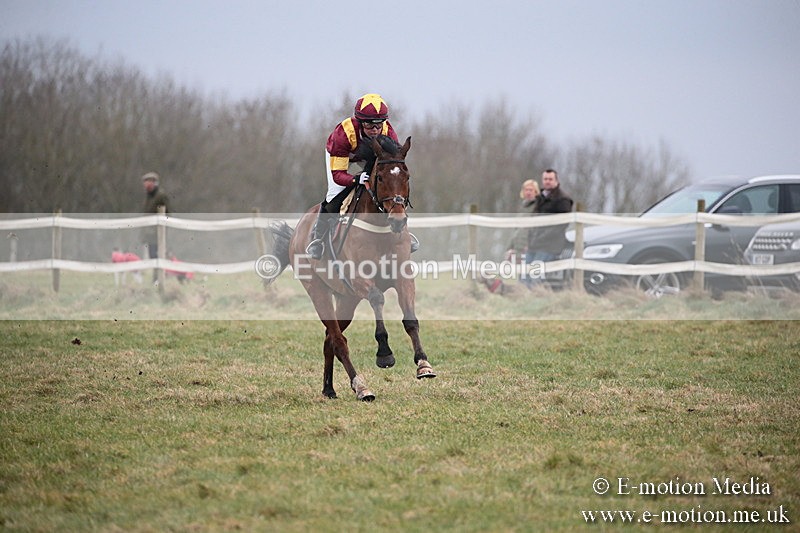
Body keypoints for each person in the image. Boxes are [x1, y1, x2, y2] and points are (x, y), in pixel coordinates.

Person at [305, 93, 400, 260]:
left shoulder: (388, 132)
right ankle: (318, 238)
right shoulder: (344, 133)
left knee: (391, 187)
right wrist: (356, 179)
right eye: (370, 126)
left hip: (369, 156)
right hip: (343, 156)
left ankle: (402, 234)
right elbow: (338, 175)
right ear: (360, 122)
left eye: (379, 125)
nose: (376, 130)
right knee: (334, 194)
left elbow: (394, 163)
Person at [525, 169, 573, 265]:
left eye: (550, 179)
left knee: (535, 273)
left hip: (550, 245)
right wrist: (530, 240)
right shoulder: (539, 198)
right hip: (534, 244)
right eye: (545, 179)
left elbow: (562, 224)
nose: (547, 181)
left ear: (556, 181)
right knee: (524, 275)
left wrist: (543, 237)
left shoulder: (563, 200)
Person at [141, 171, 170, 282]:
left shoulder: (161, 196)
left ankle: (160, 279)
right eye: (145, 182)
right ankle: (156, 279)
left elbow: (167, 213)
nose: (146, 185)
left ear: (154, 183)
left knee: (158, 255)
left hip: (157, 232)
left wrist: (159, 227)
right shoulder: (148, 197)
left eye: (148, 182)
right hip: (149, 233)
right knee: (152, 256)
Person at [506, 179, 541, 262]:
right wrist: (509, 247)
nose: (528, 192)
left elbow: (537, 230)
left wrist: (531, 245)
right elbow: (516, 230)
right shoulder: (522, 208)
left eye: (531, 190)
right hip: (516, 248)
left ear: (536, 192)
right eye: (526, 190)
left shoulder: (538, 208)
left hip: (528, 248)